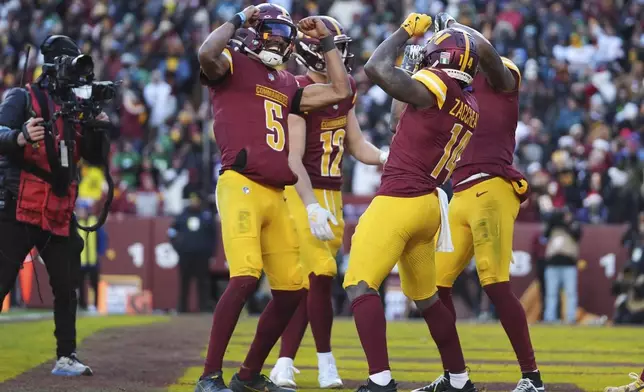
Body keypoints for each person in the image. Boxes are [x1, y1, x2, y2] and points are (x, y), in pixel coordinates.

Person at [195, 4, 351, 392]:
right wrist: (236, 19)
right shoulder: (232, 65)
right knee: (246, 275)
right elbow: (205, 54)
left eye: (286, 35)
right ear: (253, 31)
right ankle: (208, 375)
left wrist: (327, 41)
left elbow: (340, 91)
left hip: (277, 193)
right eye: (272, 33)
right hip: (241, 185)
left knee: (291, 291)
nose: (279, 42)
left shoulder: (287, 82)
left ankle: (247, 375)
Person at [400, 14, 544, 392]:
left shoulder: (501, 76)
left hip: (492, 185)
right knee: (434, 286)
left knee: (495, 284)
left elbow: (492, 59)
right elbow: (406, 121)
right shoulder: (452, 90)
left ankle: (532, 378)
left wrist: (460, 32)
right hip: (458, 193)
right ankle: (456, 376)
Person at [343, 13, 480, 392]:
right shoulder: (469, 102)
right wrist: (410, 66)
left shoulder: (439, 85)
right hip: (429, 206)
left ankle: (380, 380)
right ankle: (458, 379)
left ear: (445, 58)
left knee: (359, 284)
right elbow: (395, 121)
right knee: (427, 298)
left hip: (400, 199)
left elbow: (375, 67)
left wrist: (405, 33)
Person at [270, 16, 389, 390]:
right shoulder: (299, 91)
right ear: (313, 52)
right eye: (332, 47)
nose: (341, 54)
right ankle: (325, 361)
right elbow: (293, 160)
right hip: (302, 190)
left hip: (332, 193)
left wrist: (388, 157)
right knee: (321, 274)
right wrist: (309, 205)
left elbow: (356, 145)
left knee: (311, 283)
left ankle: (284, 363)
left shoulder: (345, 88)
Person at [0, 35, 110, 376]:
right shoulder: (22, 96)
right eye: (70, 63)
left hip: (59, 209)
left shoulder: (78, 106)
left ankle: (66, 356)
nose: (77, 72)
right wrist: (18, 136)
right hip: (18, 203)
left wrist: (96, 126)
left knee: (67, 285)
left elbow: (95, 156)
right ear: (52, 66)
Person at [168, 192, 216, 313]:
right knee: (184, 282)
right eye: (192, 200)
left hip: (202, 256)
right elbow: (171, 231)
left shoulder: (206, 216)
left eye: (196, 200)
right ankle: (182, 308)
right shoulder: (182, 215)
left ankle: (204, 308)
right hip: (185, 254)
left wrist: (211, 253)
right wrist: (177, 247)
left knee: (203, 283)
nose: (194, 203)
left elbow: (213, 237)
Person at [543, 208, 581, 324]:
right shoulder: (553, 226)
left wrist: (566, 222)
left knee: (570, 293)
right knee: (551, 294)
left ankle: (571, 318)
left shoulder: (574, 225)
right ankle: (550, 318)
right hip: (552, 264)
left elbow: (577, 234)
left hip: (569, 264)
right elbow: (545, 234)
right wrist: (555, 220)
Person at [76, 202, 108, 313]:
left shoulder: (94, 221)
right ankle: (82, 304)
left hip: (93, 260)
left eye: (82, 210)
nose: (80, 212)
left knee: (95, 283)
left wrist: (100, 251)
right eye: (79, 210)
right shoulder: (76, 223)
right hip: (80, 260)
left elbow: (102, 237)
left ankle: (96, 304)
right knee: (80, 284)